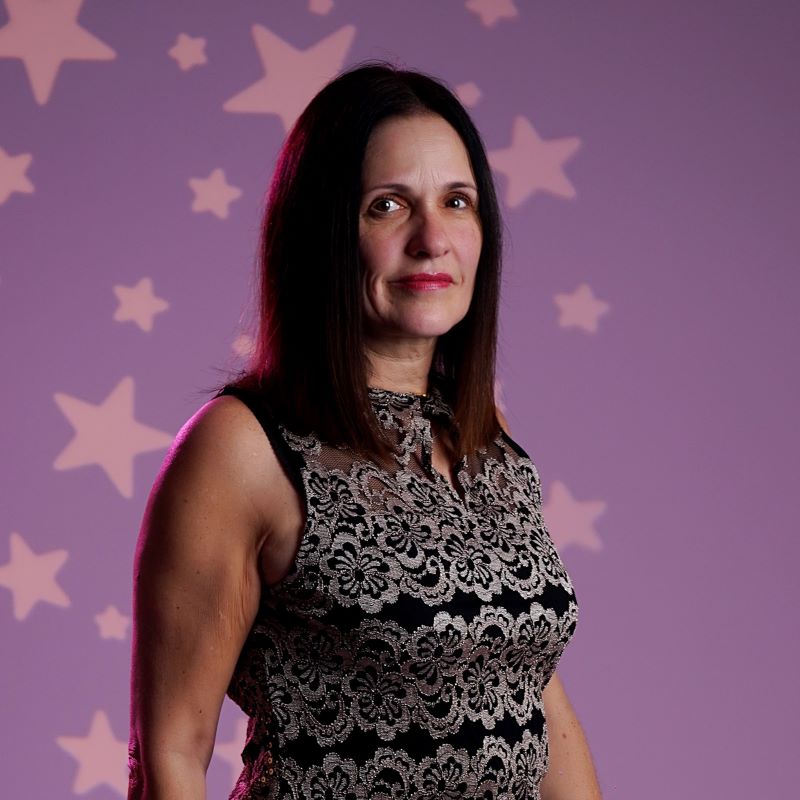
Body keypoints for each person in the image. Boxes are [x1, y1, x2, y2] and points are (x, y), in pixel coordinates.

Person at [128, 63, 602, 799]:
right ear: (323, 232)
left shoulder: (486, 442)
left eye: (457, 202)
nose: (432, 239)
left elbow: (531, 691)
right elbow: (171, 754)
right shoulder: (242, 447)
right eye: (387, 206)